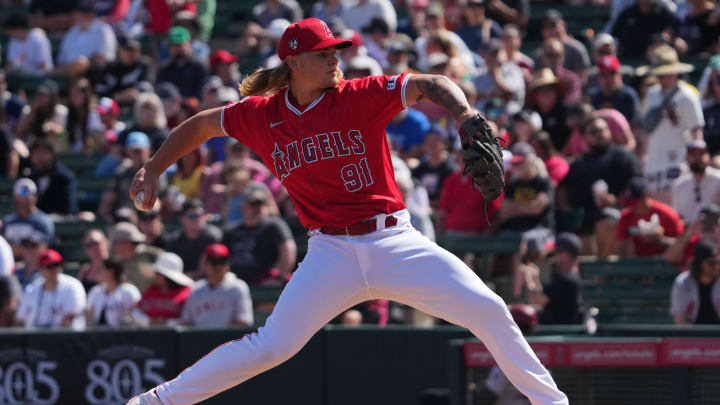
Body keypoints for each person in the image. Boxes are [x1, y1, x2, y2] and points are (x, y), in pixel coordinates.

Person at [127, 18, 566, 405]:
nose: (336, 59)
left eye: (338, 50)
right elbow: (204, 124)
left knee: (487, 309)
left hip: (392, 240)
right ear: (294, 62)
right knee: (271, 347)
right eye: (325, 53)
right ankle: (156, 402)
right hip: (329, 253)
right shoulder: (261, 116)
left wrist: (465, 114)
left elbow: (431, 83)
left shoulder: (359, 95)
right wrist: (153, 167)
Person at [641, 45, 705, 205]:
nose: (663, 79)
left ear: (675, 72)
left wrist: (696, 159)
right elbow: (647, 130)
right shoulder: (651, 94)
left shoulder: (688, 96)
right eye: (660, 75)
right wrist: (643, 154)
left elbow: (696, 130)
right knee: (654, 205)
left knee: (673, 206)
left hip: (677, 159)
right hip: (654, 160)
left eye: (666, 74)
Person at [223, 189, 296, 284]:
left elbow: (288, 249)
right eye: (253, 204)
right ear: (243, 208)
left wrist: (279, 278)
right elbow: (220, 258)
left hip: (264, 280)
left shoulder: (274, 226)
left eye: (261, 204)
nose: (258, 208)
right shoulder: (231, 231)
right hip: (234, 280)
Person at [180, 243, 254, 327]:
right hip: (200, 339)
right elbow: (186, 323)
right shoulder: (195, 289)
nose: (218, 267)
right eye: (214, 262)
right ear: (206, 264)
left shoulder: (238, 287)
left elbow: (243, 322)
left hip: (229, 339)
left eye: (222, 262)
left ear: (227, 265)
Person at [15, 249, 87, 330]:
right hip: (35, 338)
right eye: (49, 267)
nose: (54, 270)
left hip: (66, 339)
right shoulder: (31, 289)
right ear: (40, 269)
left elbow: (70, 319)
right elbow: (20, 319)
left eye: (57, 265)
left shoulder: (73, 286)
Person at [617, 178, 685, 257]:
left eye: (636, 203)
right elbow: (620, 248)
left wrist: (661, 240)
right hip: (637, 262)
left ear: (646, 196)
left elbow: (682, 245)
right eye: (630, 204)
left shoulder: (667, 214)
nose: (633, 207)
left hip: (665, 263)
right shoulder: (626, 216)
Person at [167, 199, 223, 279]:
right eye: (192, 216)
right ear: (182, 219)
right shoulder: (175, 240)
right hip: (178, 282)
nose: (198, 219)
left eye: (201, 215)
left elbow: (208, 271)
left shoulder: (213, 238)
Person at [1, 178, 54, 259]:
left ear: (36, 196)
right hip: (10, 265)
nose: (27, 196)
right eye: (23, 192)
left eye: (31, 193)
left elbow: (39, 251)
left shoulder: (44, 222)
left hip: (34, 269)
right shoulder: (7, 222)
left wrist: (14, 249)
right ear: (16, 197)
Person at [135, 252, 193, 326]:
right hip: (149, 334)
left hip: (175, 335)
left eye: (157, 273)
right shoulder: (152, 290)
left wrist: (167, 323)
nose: (155, 276)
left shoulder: (185, 292)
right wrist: (149, 321)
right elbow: (136, 311)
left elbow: (189, 319)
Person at [671, 239, 720, 324]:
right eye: (711, 263)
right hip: (693, 334)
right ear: (699, 264)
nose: (716, 266)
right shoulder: (683, 282)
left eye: (718, 262)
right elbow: (680, 318)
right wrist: (691, 336)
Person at [538, 233, 584, 324]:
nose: (555, 257)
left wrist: (530, 278)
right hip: (560, 329)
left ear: (566, 254)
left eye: (557, 252)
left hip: (560, 332)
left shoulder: (566, 280)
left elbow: (539, 300)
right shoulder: (572, 275)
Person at [671, 140, 720, 223]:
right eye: (694, 154)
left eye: (701, 154)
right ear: (687, 158)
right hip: (689, 231)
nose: (698, 157)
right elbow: (678, 215)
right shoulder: (679, 184)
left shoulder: (718, 179)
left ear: (708, 156)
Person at [586, 55, 642, 126]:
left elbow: (635, 126)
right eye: (604, 75)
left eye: (612, 73)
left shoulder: (628, 96)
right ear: (598, 77)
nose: (609, 79)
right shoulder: (592, 97)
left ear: (620, 74)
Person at [28, 138, 78, 215]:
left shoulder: (64, 178)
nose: (39, 157)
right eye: (35, 153)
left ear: (52, 154)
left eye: (43, 152)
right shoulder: (30, 178)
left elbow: (68, 209)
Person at [156, 26, 208, 100]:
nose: (176, 48)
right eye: (172, 45)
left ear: (189, 44)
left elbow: (201, 95)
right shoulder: (164, 68)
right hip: (168, 107)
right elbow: (160, 91)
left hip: (193, 109)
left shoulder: (199, 67)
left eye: (179, 45)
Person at [86, 259, 141, 327]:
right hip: (98, 334)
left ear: (111, 272)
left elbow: (136, 316)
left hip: (122, 334)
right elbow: (89, 316)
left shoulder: (129, 291)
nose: (97, 272)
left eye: (101, 269)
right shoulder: (96, 291)